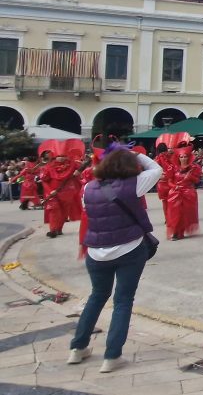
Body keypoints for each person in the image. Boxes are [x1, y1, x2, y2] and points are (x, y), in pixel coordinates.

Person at [67, 145, 162, 373]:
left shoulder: (88, 188)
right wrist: (135, 153)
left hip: (96, 252)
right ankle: (112, 356)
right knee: (123, 300)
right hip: (129, 248)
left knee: (97, 297)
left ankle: (77, 348)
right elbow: (156, 168)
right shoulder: (135, 184)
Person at [39, 140, 85, 238]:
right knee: (54, 210)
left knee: (64, 212)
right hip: (52, 193)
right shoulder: (48, 167)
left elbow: (83, 168)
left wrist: (78, 172)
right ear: (55, 156)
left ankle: (59, 228)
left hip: (67, 192)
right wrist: (49, 191)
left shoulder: (73, 165)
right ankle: (53, 230)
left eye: (64, 156)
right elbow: (44, 181)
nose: (61, 158)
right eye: (59, 156)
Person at [165, 146, 201, 240]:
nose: (183, 158)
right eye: (181, 157)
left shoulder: (194, 168)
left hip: (188, 193)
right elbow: (169, 181)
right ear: (178, 158)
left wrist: (190, 177)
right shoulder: (173, 168)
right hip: (175, 193)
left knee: (185, 214)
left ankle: (180, 232)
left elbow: (197, 181)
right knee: (175, 213)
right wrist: (174, 186)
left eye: (185, 156)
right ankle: (176, 232)